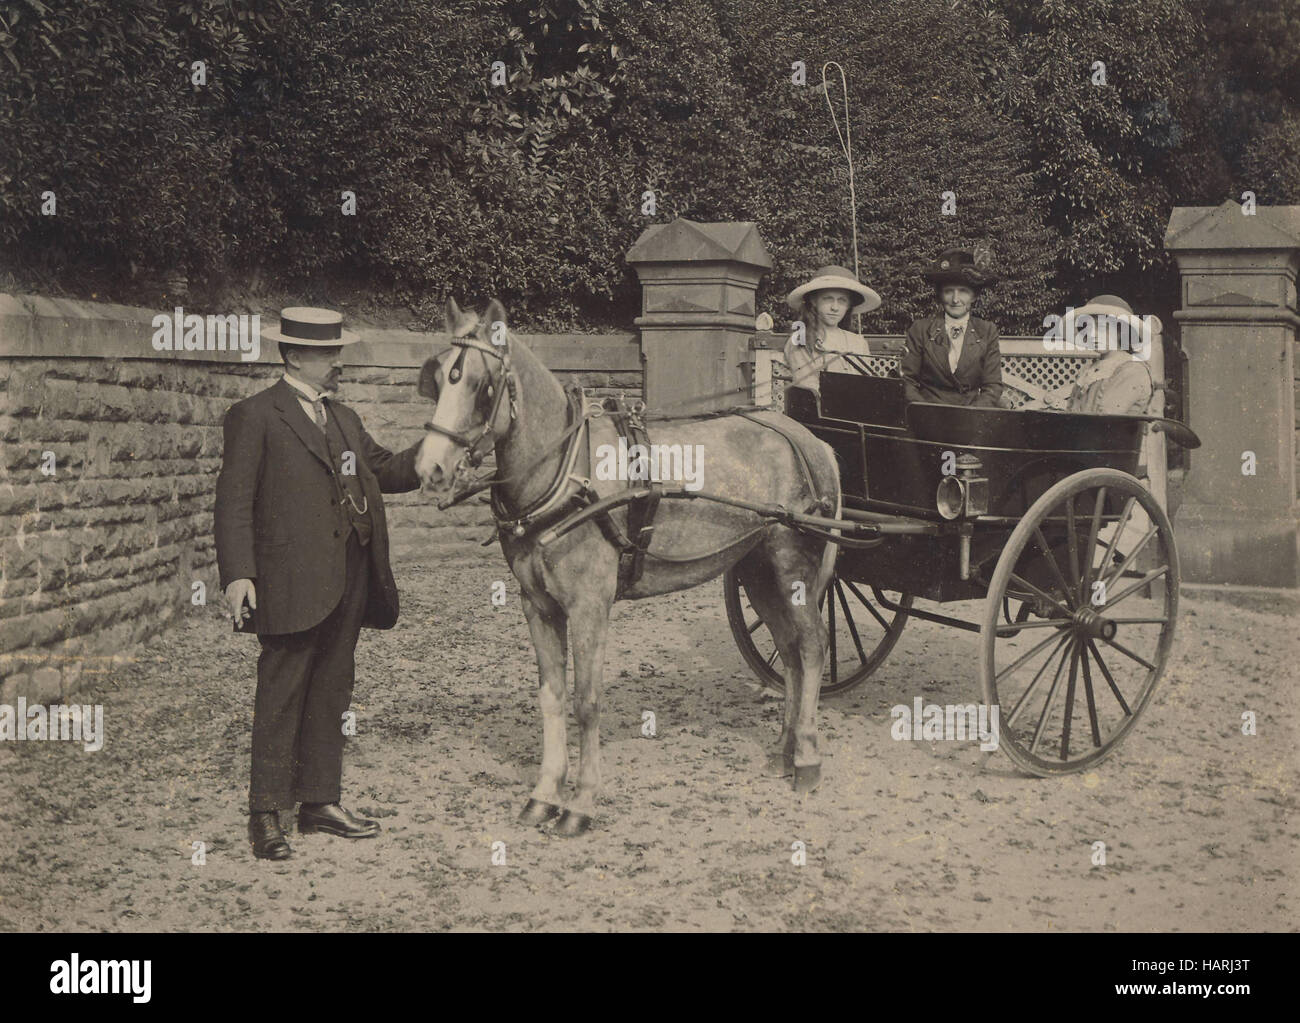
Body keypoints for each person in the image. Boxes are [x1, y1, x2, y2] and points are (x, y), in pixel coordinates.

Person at [215, 307, 422, 861]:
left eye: (338, 351)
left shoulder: (346, 419)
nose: (338, 362)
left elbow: (384, 469)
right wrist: (237, 574)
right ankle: (265, 813)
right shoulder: (254, 415)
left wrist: (437, 455)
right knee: (280, 692)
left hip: (349, 576)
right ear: (294, 357)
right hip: (287, 580)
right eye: (329, 353)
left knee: (332, 688)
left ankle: (319, 803)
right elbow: (233, 501)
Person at [901, 247, 1002, 407]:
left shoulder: (987, 331)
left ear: (974, 295)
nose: (956, 299)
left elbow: (993, 386)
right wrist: (925, 410)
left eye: (963, 291)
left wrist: (970, 415)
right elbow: (907, 380)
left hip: (970, 415)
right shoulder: (921, 329)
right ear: (940, 295)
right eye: (949, 291)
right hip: (928, 413)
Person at [781, 264, 882, 394]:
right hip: (817, 409)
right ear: (814, 301)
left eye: (842, 300)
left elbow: (866, 384)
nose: (835, 307)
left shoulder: (858, 342)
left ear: (848, 305)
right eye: (828, 299)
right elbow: (808, 387)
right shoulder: (801, 339)